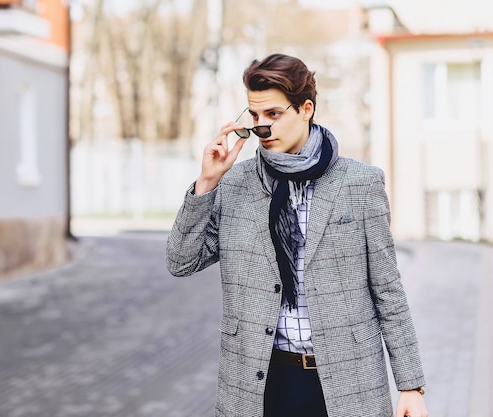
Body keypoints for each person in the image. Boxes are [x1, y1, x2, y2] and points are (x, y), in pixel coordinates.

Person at [166, 53, 428, 417]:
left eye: (273, 115)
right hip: (260, 383)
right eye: (254, 116)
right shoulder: (235, 184)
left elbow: (387, 289)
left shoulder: (360, 183)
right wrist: (207, 181)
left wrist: (410, 385)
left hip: (348, 382)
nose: (262, 128)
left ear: (305, 109)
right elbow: (181, 261)